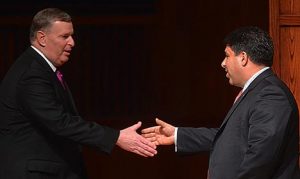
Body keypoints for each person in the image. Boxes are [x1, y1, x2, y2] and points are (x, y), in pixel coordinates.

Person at [0, 8, 157, 179]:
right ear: (41, 38)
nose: (72, 42)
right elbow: (60, 122)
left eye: (72, 35)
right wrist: (115, 137)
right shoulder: (32, 74)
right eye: (64, 36)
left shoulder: (40, 69)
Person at [142, 26, 300, 179]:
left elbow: (261, 156)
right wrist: (178, 135)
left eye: (227, 55)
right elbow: (232, 137)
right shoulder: (257, 91)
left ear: (243, 58)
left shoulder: (271, 94)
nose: (223, 63)